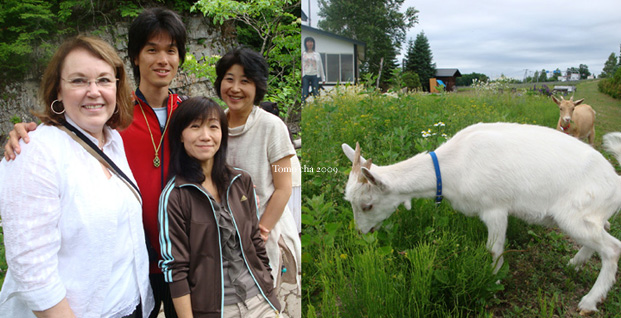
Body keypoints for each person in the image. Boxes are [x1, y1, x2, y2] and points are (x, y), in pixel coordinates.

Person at [2, 8, 188, 318]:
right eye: (151, 49)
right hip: (106, 291)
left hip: (172, 262)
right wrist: (24, 136)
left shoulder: (188, 116)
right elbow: (31, 263)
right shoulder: (105, 123)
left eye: (171, 50)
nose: (162, 59)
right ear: (134, 57)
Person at [158, 97, 281, 317]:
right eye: (195, 127)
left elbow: (254, 240)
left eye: (213, 127)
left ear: (222, 134)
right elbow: (175, 269)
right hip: (216, 309)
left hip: (260, 301)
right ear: (180, 135)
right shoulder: (176, 195)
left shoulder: (241, 181)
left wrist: (268, 287)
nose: (205, 136)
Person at [215, 47, 302, 317]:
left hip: (262, 231)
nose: (235, 88)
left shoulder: (271, 126)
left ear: (258, 87)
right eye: (229, 79)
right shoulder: (213, 123)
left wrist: (260, 232)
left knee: (261, 303)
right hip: (222, 235)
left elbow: (284, 187)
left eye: (245, 81)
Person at [301, 36, 325, 101]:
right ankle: (303, 106)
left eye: (311, 42)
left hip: (315, 75)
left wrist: (323, 78)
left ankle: (317, 107)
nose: (310, 43)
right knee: (305, 92)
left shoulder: (317, 54)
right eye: (308, 42)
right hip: (305, 75)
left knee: (315, 92)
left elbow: (320, 66)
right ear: (305, 43)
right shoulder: (303, 54)